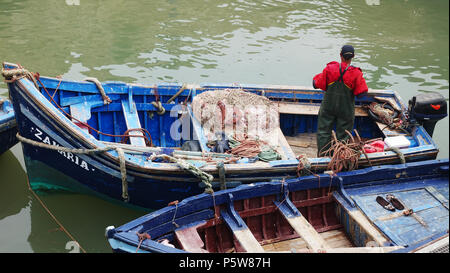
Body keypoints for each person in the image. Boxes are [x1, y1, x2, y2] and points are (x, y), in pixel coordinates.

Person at [313, 45, 368, 156]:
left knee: (323, 132)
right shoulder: (356, 73)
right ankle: (340, 157)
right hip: (345, 110)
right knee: (343, 134)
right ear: (353, 57)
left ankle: (323, 156)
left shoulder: (330, 69)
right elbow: (362, 94)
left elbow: (315, 84)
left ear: (340, 55)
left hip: (328, 107)